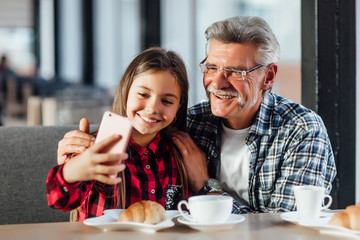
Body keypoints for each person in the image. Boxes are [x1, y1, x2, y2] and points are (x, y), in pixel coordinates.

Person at [56, 16, 337, 214]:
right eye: (212, 67)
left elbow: (282, 231)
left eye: (236, 72)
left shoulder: (300, 130)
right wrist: (75, 159)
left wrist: (206, 186)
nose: (218, 82)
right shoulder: (190, 122)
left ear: (269, 76)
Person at [46, 47, 189, 221]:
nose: (152, 108)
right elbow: (59, 200)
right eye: (143, 94)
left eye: (166, 101)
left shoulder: (179, 154)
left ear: (179, 106)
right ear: (126, 91)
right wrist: (74, 169)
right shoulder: (98, 148)